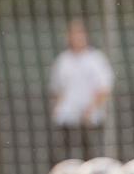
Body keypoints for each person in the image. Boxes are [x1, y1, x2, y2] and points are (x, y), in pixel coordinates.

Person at [49, 20, 114, 162]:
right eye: (73, 34)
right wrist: (57, 109)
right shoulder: (63, 60)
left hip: (90, 118)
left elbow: (104, 88)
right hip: (67, 117)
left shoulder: (96, 59)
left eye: (80, 33)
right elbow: (57, 89)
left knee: (90, 155)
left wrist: (91, 109)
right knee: (61, 155)